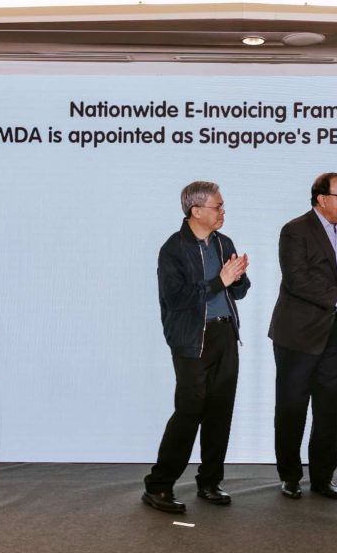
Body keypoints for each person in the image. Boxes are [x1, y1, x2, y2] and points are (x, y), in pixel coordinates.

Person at [142, 181, 250, 514]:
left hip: (225, 335)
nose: (223, 212)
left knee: (220, 412)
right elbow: (176, 299)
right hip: (192, 340)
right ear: (196, 210)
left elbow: (239, 292)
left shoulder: (223, 242)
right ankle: (159, 486)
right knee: (189, 413)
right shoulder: (173, 249)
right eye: (218, 206)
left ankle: (210, 482)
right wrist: (220, 281)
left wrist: (239, 277)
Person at [269, 172, 337, 500]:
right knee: (292, 408)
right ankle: (290, 476)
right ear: (322, 199)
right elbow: (297, 280)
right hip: (297, 336)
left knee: (329, 411)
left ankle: (323, 478)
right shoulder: (295, 230)